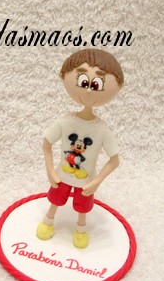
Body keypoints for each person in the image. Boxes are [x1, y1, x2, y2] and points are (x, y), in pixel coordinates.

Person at [37, 48, 124, 249]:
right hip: (61, 176)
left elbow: (114, 160)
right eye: (84, 82)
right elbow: (46, 143)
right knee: (55, 200)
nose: (89, 90)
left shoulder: (101, 129)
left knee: (82, 207)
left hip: (86, 181)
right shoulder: (66, 122)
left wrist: (97, 181)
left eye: (96, 84)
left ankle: (81, 228)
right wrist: (50, 170)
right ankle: (49, 220)